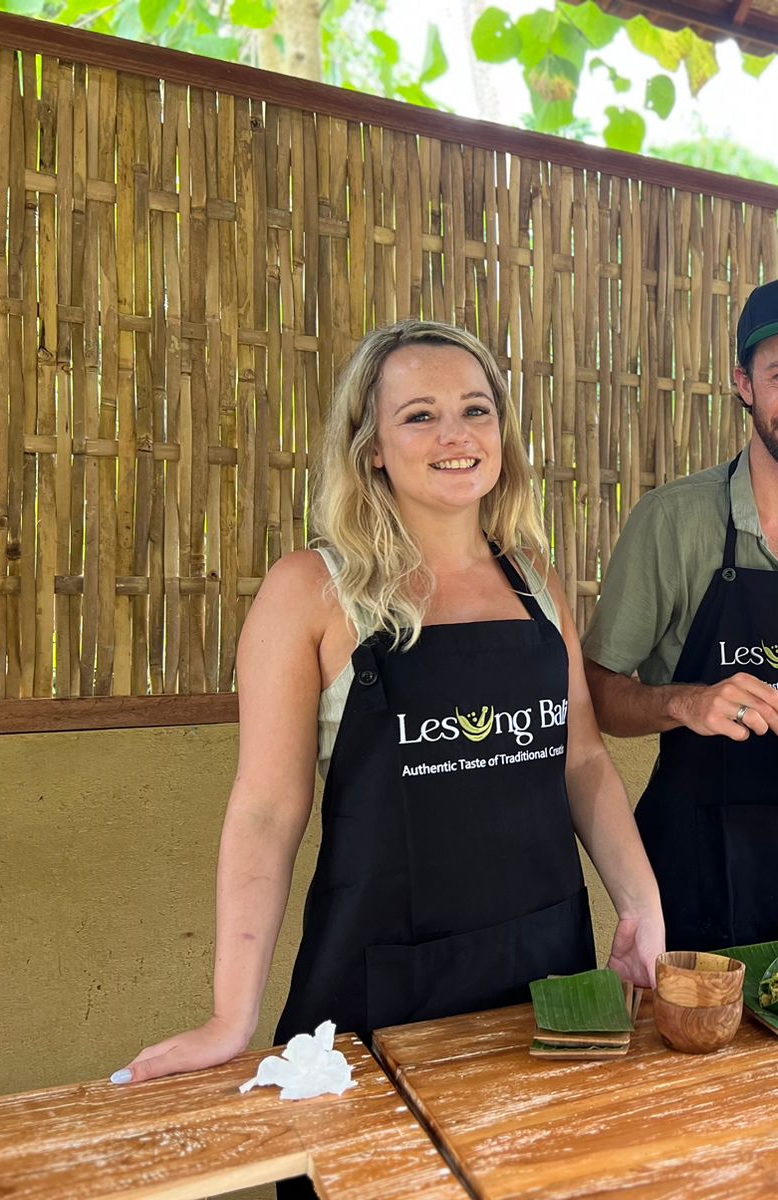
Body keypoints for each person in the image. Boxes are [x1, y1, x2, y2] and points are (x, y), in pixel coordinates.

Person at [118, 319, 664, 1087]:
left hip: (545, 982)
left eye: (477, 409)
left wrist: (642, 914)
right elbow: (267, 811)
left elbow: (582, 760)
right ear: (371, 444)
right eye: (419, 415)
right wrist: (229, 1018)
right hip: (379, 997)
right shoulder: (309, 589)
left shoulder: (534, 582)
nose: (456, 434)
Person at [582, 275, 778, 951]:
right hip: (699, 859)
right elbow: (600, 699)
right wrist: (686, 704)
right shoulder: (673, 522)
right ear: (744, 382)